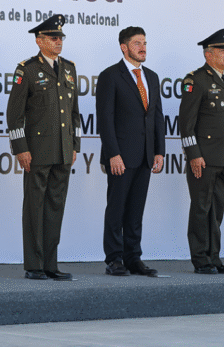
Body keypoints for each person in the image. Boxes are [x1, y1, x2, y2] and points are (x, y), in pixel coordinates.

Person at [7, 14, 81, 280]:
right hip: (37, 151)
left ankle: (51, 263)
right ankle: (34, 265)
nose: (58, 41)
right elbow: (14, 115)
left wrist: (75, 144)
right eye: (53, 37)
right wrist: (20, 148)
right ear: (39, 41)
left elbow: (74, 113)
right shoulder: (26, 69)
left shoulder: (70, 68)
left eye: (60, 37)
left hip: (63, 151)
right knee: (34, 208)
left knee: (55, 208)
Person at [96, 26, 165, 276]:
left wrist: (159, 150)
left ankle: (133, 257)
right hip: (121, 156)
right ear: (124, 47)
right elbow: (106, 118)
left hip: (146, 155)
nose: (143, 47)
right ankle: (114, 258)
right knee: (117, 209)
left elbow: (157, 116)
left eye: (145, 42)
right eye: (137, 43)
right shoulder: (110, 76)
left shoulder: (153, 77)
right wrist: (113, 153)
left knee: (136, 210)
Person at [179, 28, 224, 274]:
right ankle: (200, 259)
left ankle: (214, 257)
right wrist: (194, 154)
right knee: (201, 208)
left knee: (217, 210)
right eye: (222, 50)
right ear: (208, 54)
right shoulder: (197, 80)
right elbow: (186, 122)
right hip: (204, 158)